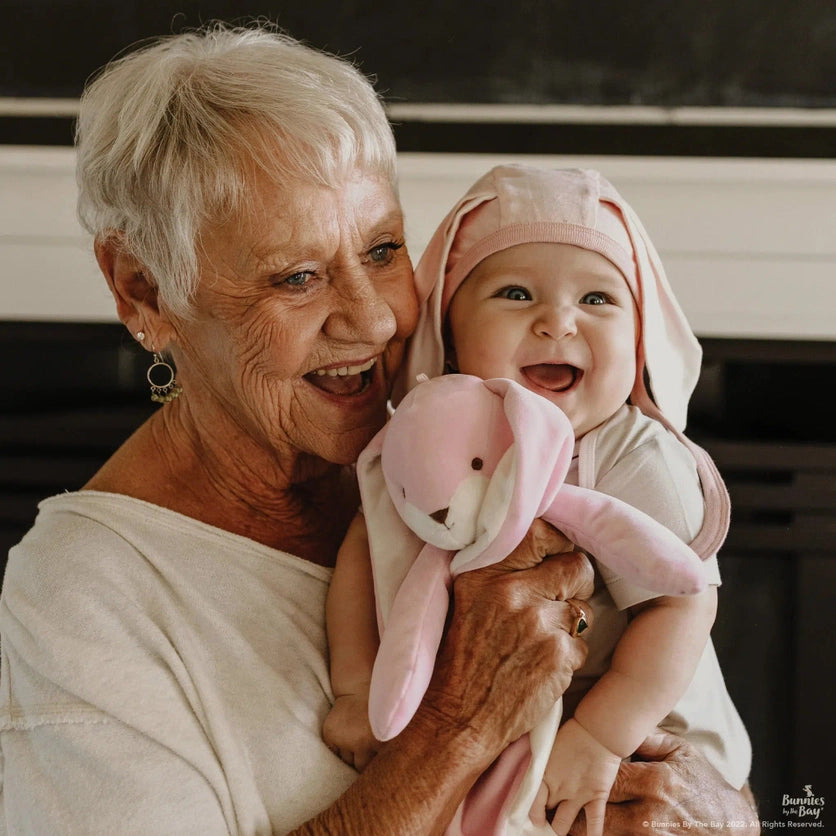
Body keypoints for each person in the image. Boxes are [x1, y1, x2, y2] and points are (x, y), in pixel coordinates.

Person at [0, 23, 759, 835]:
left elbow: (693, 742)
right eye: (297, 278)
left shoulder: (475, 452)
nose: (373, 319)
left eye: (383, 248)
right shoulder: (84, 597)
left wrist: (728, 814)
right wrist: (456, 727)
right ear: (143, 290)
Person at [324, 165, 755, 834]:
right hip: (510, 732)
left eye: (599, 300)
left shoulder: (630, 453)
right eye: (516, 293)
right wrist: (355, 688)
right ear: (451, 335)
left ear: (640, 336)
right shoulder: (424, 439)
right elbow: (368, 544)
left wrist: (603, 737)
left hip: (640, 726)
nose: (558, 320)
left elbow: (684, 603)